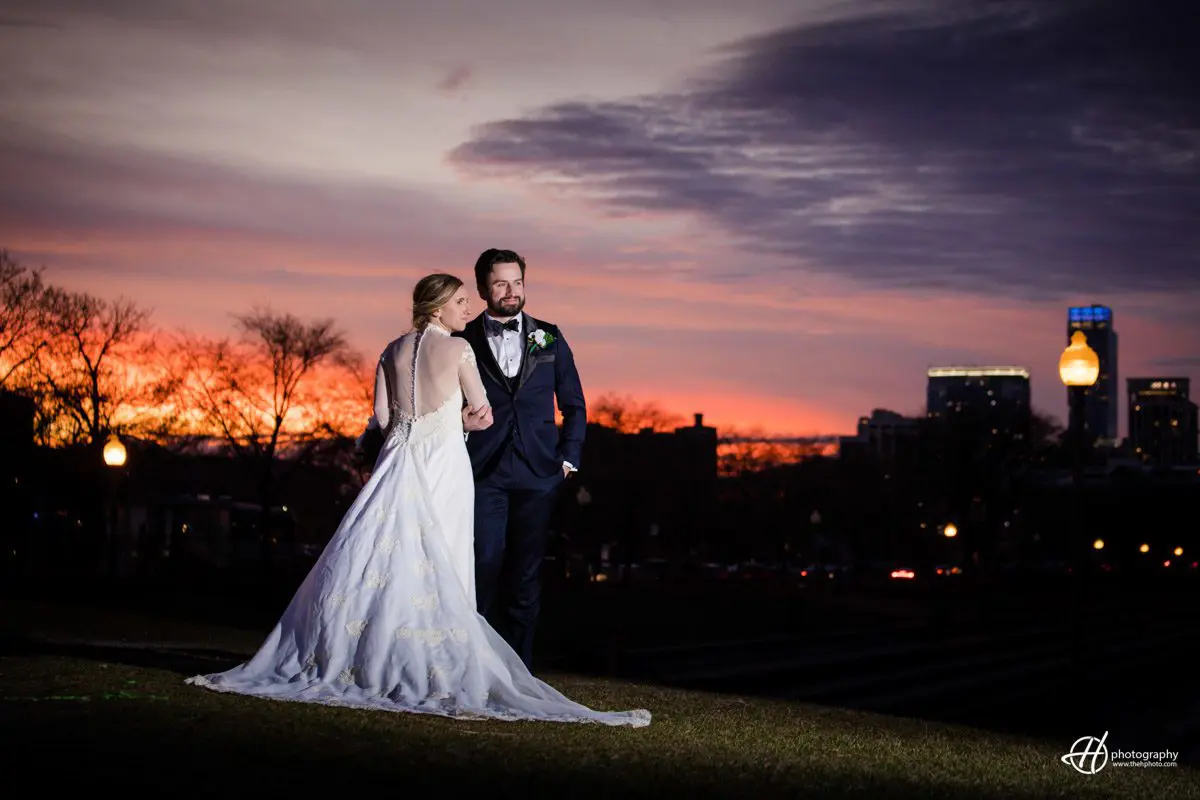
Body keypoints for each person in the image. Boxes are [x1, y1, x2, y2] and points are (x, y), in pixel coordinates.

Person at [185, 273, 650, 727]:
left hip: (398, 464)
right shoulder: (460, 348)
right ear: (439, 306)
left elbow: (385, 418)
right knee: (444, 556)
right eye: (461, 301)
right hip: (445, 463)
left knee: (387, 561)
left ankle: (370, 655)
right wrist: (457, 424)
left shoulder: (390, 350)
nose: (468, 309)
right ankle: (437, 659)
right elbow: (482, 414)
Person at [455, 249, 583, 670]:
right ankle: (476, 663)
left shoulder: (548, 336)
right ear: (482, 289)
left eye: (518, 282)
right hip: (482, 471)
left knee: (526, 575)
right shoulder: (463, 339)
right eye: (500, 284)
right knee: (483, 562)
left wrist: (568, 459)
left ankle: (519, 669)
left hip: (539, 472)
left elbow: (574, 405)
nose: (511, 292)